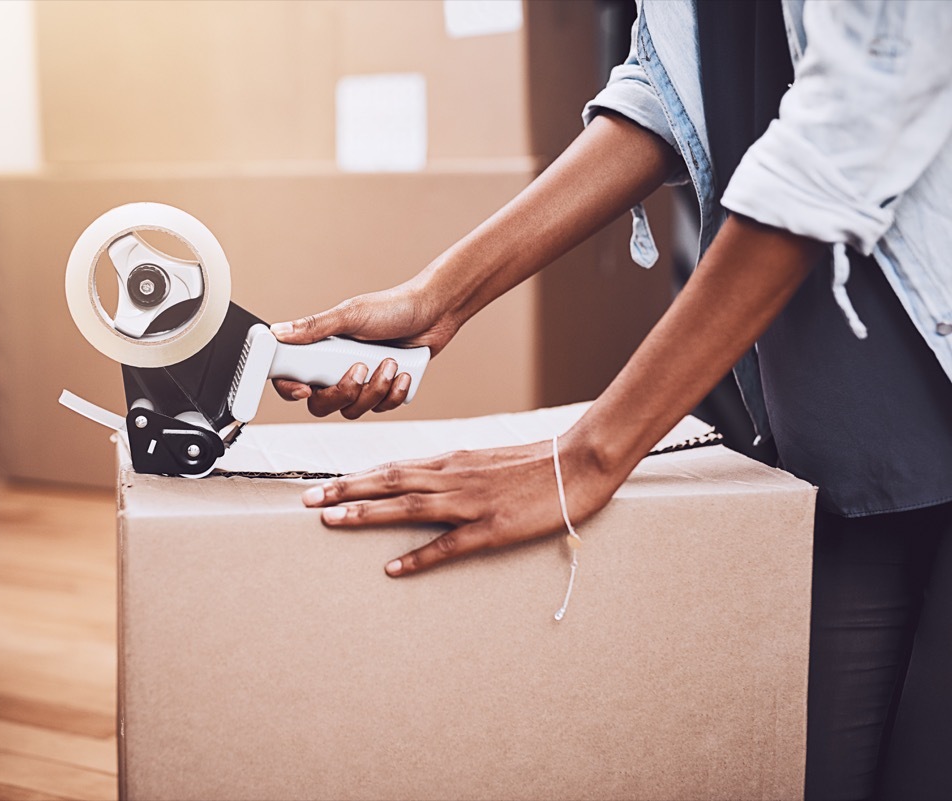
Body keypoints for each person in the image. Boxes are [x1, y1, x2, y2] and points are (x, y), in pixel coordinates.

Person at [267, 1, 952, 798]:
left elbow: (852, 121)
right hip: (840, 447)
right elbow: (664, 88)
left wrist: (590, 455)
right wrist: (437, 298)